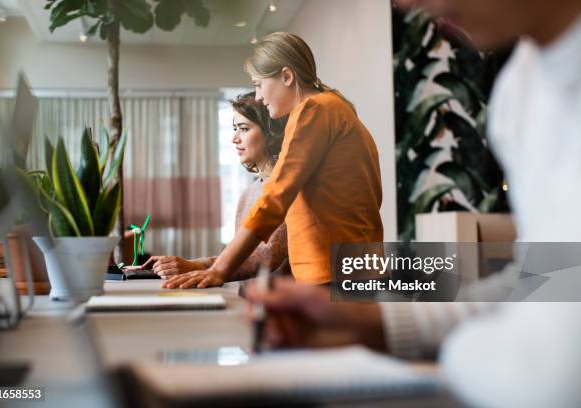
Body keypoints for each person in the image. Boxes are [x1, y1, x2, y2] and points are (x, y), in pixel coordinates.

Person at [247, 1, 581, 407]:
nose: (405, 3)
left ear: (285, 76)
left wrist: (452, 350)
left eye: (242, 124)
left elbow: (554, 376)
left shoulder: (318, 110)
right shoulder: (520, 92)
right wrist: (376, 324)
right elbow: (549, 280)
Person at [163, 32, 384, 289]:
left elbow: (274, 199)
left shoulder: (314, 111)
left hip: (331, 275)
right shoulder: (337, 110)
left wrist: (218, 270)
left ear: (287, 77)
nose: (257, 96)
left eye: (259, 84)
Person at [136, 93, 290, 282]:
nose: (235, 138)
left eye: (243, 128)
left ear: (270, 133)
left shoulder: (288, 186)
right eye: (235, 128)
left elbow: (265, 259)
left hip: (289, 304)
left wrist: (196, 266)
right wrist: (189, 264)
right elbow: (243, 256)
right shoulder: (248, 193)